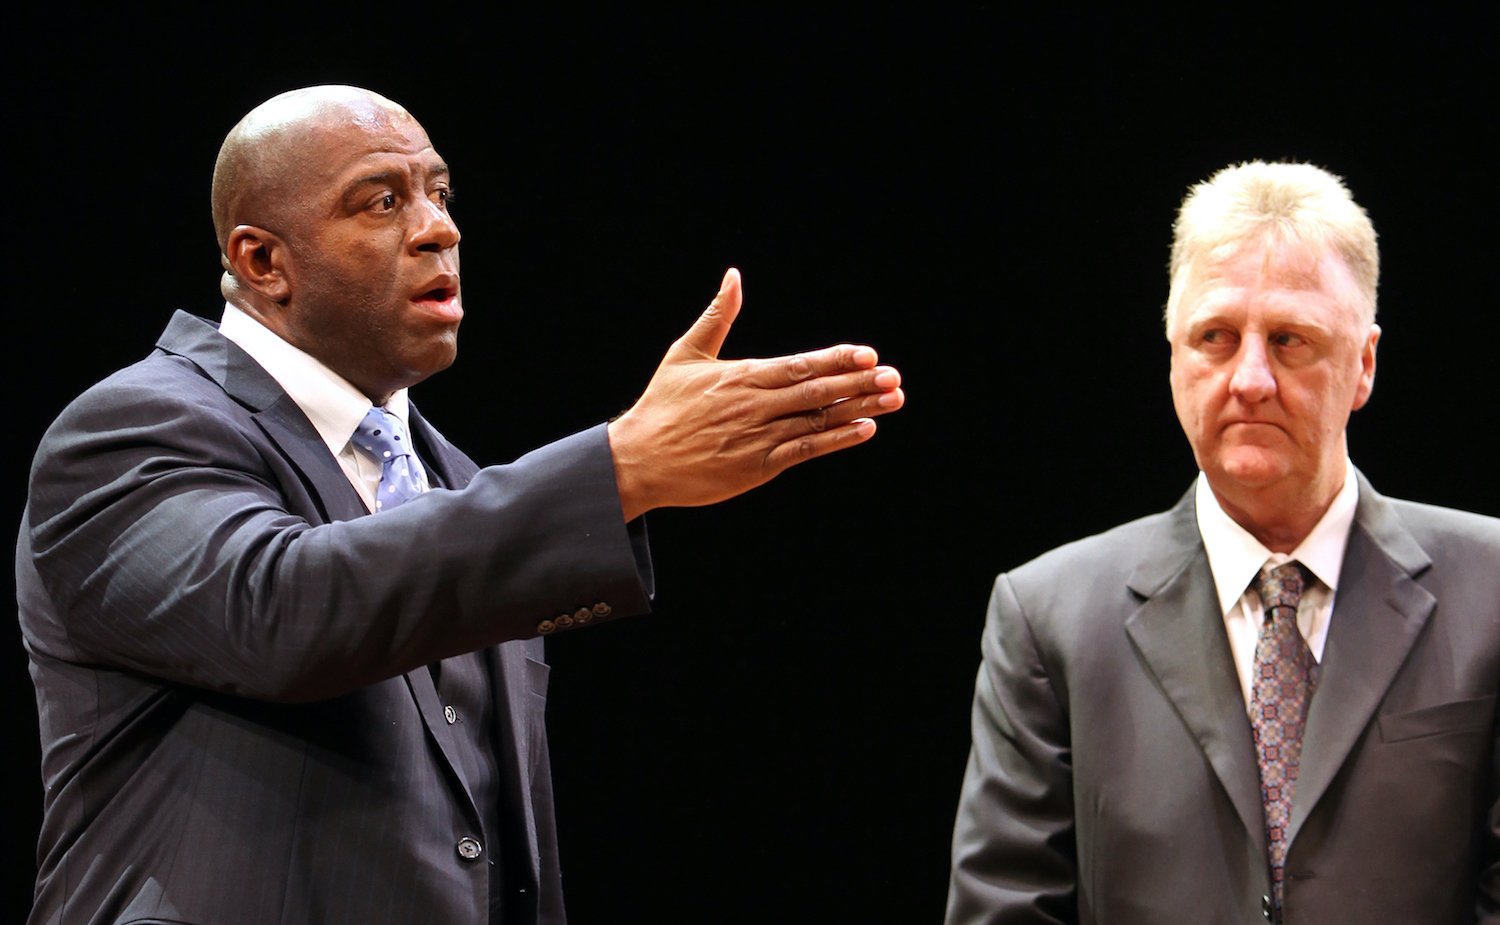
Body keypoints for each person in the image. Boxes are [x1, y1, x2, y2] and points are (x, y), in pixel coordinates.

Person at [17, 85, 904, 925]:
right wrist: (619, 469)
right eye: (381, 201)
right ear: (262, 260)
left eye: (439, 192)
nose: (439, 227)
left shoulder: (451, 479)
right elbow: (282, 607)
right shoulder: (132, 428)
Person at [946, 161, 1499, 924]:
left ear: (1364, 362)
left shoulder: (1492, 591)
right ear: (1174, 355)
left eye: (1289, 339)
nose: (1250, 378)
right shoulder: (1049, 619)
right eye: (1215, 336)